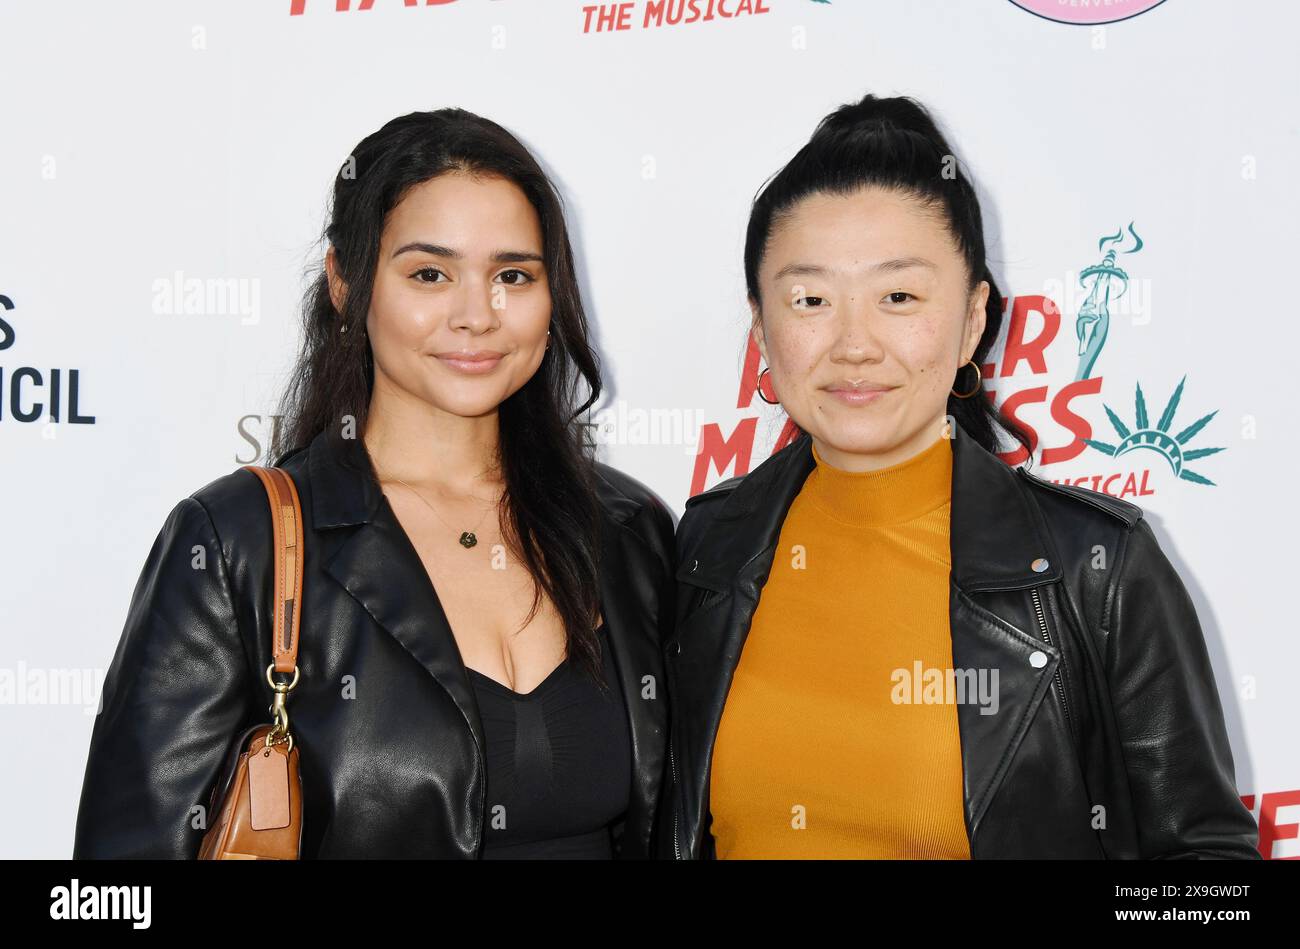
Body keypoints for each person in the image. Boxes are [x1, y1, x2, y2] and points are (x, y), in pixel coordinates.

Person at [658, 93, 1260, 859]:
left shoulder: (1096, 569)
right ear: (761, 325)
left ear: (973, 318)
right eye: (810, 299)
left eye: (899, 296)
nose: (854, 343)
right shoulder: (709, 548)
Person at [73, 108, 674, 859]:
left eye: (513, 275)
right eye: (430, 273)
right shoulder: (236, 546)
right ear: (345, 283)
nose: (476, 315)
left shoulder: (625, 530)